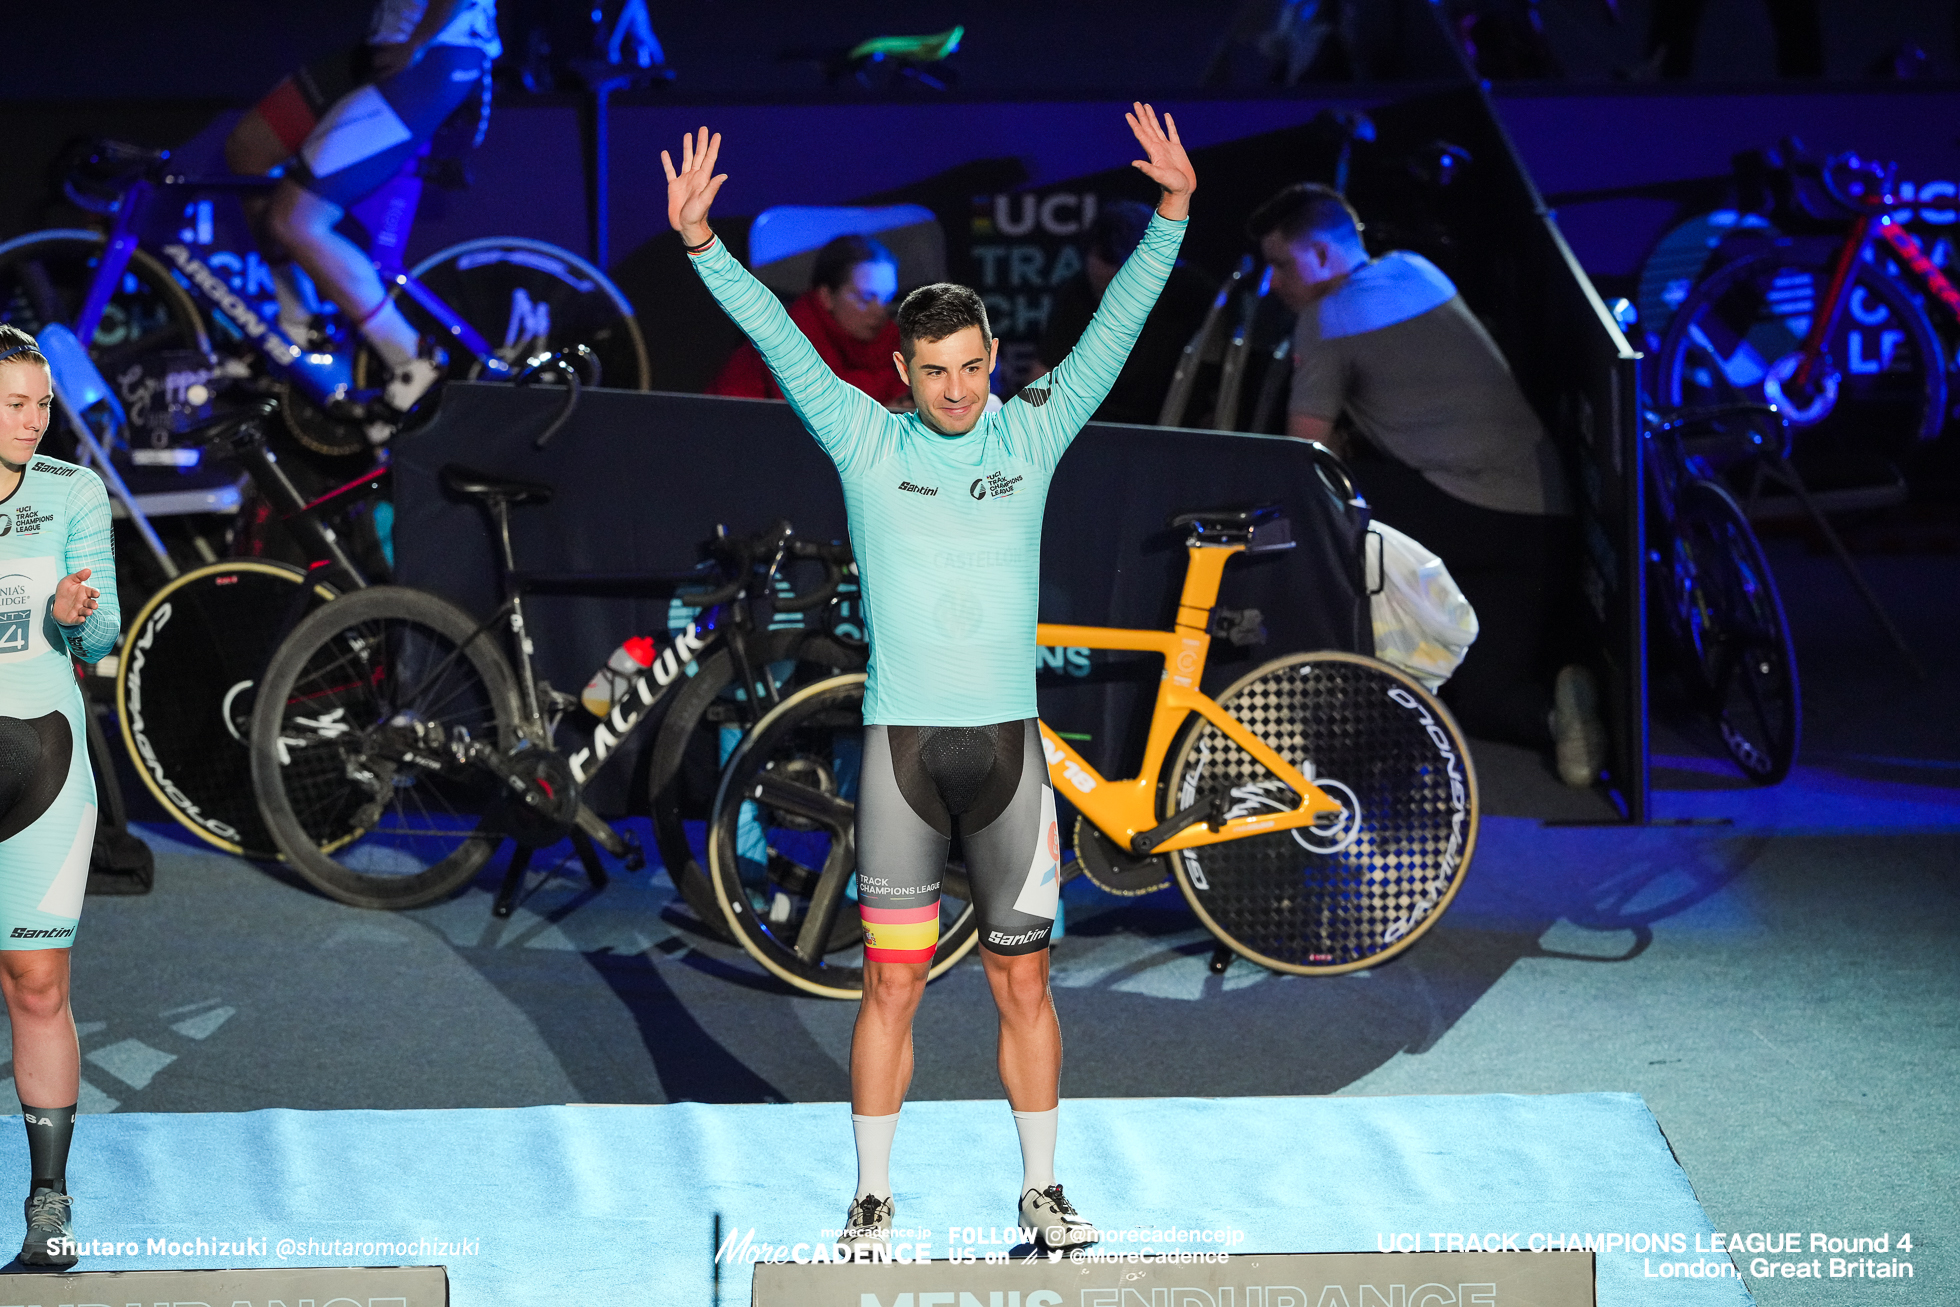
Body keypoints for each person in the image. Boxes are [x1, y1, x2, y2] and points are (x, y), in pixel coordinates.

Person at [663, 105, 1195, 1251]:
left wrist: (1172, 214)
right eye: (933, 373)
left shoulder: (1029, 436)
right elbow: (782, 342)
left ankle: (1042, 1190)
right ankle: (870, 1195)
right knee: (890, 990)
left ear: (992, 361)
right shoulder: (865, 439)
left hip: (1007, 758)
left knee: (1023, 989)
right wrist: (705, 248)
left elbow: (1118, 326)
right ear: (898, 372)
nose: (956, 390)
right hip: (902, 756)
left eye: (971, 368)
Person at [1251, 182, 1606, 786]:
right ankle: (1557, 711)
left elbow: (1303, 455)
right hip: (1545, 518)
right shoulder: (1421, 272)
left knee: (1304, 512)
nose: (1274, 284)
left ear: (1320, 257)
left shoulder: (1325, 317)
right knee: (1479, 696)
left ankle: (1314, 719)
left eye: (1281, 265)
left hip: (1471, 512)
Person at [224, 0, 501, 443]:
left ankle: (411, 360)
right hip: (383, 47)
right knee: (248, 149)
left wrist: (418, 40)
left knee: (297, 221)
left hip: (435, 56)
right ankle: (300, 322)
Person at [0, 324, 120, 1267]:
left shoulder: (74, 491)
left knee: (37, 984)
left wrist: (73, 620)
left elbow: (102, 634)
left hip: (41, 764)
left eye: (43, 402)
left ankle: (49, 1208)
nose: (36, 420)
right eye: (16, 403)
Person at [1031, 200, 1216, 425]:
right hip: (1095, 432)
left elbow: (1217, 397)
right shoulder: (1076, 294)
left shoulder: (1195, 295)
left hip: (1177, 436)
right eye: (1103, 293)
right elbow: (1043, 380)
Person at [708, 235, 913, 408]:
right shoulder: (785, 338)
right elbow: (813, 416)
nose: (880, 312)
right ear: (826, 297)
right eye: (865, 298)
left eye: (886, 298)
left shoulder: (892, 340)